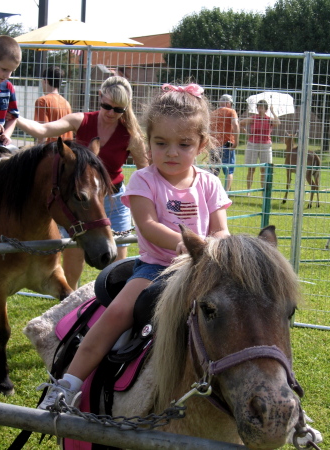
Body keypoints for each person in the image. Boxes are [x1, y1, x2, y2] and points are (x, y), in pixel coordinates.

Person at [36, 82, 232, 410]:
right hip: (154, 269)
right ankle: (67, 384)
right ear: (148, 141)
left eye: (183, 144)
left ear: (200, 144)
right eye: (161, 142)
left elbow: (221, 229)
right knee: (116, 315)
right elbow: (149, 226)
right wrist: (191, 245)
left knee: (246, 314)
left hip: (202, 270)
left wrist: (218, 249)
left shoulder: (209, 183)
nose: (171, 152)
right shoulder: (144, 180)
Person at [15, 76, 148, 289]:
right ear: (100, 97)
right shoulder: (81, 120)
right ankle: (71, 308)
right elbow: (43, 130)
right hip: (81, 201)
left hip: (113, 200)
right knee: (74, 258)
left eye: (118, 109)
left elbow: (145, 171)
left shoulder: (131, 134)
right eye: (107, 106)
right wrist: (13, 116)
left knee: (118, 264)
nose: (111, 113)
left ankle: (112, 308)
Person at [240, 99, 280, 194]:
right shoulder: (253, 118)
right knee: (251, 169)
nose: (260, 109)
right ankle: (248, 190)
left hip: (265, 146)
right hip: (253, 145)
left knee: (264, 170)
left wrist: (273, 111)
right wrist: (247, 134)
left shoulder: (269, 119)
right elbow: (241, 123)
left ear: (266, 109)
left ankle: (264, 191)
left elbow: (278, 123)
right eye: (258, 107)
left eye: (262, 107)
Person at [0, 35, 21, 147]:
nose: (7, 75)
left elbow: (13, 117)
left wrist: (7, 134)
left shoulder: (8, 87)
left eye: (11, 71)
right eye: (4, 69)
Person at [34, 66, 73, 144]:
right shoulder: (66, 103)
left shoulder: (42, 101)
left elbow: (42, 133)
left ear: (45, 81)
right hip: (66, 150)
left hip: (50, 151)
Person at [210, 94, 239, 191]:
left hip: (214, 146)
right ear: (228, 103)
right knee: (229, 170)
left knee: (214, 171)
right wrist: (236, 141)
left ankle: (214, 192)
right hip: (227, 145)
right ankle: (226, 193)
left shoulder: (213, 113)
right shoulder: (231, 111)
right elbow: (235, 124)